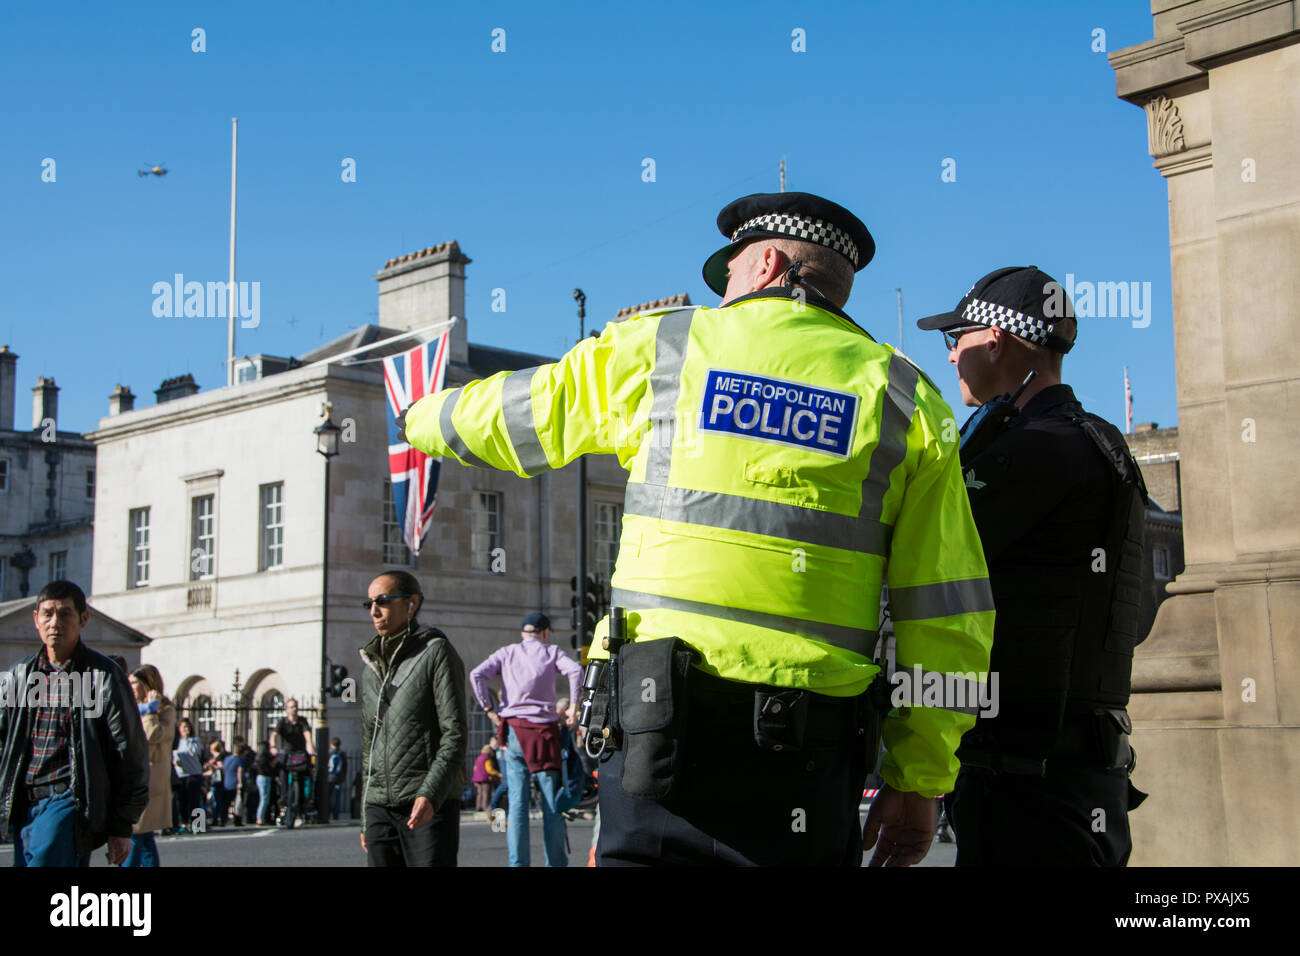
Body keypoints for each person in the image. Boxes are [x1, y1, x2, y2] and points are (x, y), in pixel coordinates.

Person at [400, 191, 994, 866]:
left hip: (658, 727)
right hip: (810, 750)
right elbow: (951, 616)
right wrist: (921, 778)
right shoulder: (906, 399)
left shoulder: (666, 349)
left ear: (767, 262)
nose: (721, 295)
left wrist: (419, 416)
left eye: (730, 273)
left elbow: (522, 415)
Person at [917, 265, 1150, 866]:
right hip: (1082, 772)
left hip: (1026, 781)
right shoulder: (1099, 442)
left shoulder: (1033, 450)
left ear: (994, 339)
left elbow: (932, 571)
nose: (950, 358)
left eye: (956, 339)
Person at [0, 580, 150, 866]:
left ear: (83, 619)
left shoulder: (103, 676)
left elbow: (130, 751)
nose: (55, 622)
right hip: (25, 805)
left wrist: (121, 825)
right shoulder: (19, 675)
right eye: (48, 614)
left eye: (65, 614)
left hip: (68, 799)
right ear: (36, 620)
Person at [358, 570, 467, 866]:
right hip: (380, 806)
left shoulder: (436, 653)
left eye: (382, 601)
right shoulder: (371, 667)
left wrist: (431, 794)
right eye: (368, 603)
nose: (374, 611)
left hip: (427, 802)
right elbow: (369, 744)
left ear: (411, 604)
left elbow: (454, 733)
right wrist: (366, 814)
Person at [469, 613, 582, 867]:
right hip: (544, 732)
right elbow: (575, 671)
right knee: (551, 805)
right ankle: (555, 863)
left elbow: (477, 674)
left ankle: (518, 863)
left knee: (518, 804)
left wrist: (489, 709)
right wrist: (573, 707)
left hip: (513, 731)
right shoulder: (551, 651)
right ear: (545, 633)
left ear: (523, 633)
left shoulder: (507, 652)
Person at [124, 663, 176, 866]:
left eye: (135, 683)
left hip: (150, 780)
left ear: (149, 685)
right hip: (133, 776)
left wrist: (151, 710)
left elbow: (152, 734)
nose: (131, 687)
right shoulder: (132, 706)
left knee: (135, 833)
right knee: (143, 837)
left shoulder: (166, 709)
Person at [271, 698, 315, 826]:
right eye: (291, 707)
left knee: (305, 776)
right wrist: (273, 746)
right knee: (283, 774)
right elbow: (274, 735)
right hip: (287, 752)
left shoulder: (302, 721)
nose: (293, 709)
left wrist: (310, 747)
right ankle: (284, 800)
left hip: (300, 753)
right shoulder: (282, 722)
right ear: (286, 709)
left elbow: (307, 734)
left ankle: (303, 804)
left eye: (295, 706)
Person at [172, 718, 204, 831]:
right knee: (182, 800)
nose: (186, 729)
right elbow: (173, 754)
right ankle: (184, 823)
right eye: (183, 727)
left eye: (188, 727)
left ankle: (198, 824)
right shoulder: (176, 742)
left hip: (194, 773)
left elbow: (194, 751)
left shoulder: (195, 740)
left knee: (195, 800)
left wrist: (186, 739)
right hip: (181, 774)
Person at [253, 741, 279, 826]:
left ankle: (261, 817)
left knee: (264, 799)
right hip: (265, 777)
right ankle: (260, 818)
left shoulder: (258, 757)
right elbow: (270, 767)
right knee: (264, 799)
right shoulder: (265, 758)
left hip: (260, 777)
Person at [472, 744, 500, 818]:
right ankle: (485, 807)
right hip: (485, 778)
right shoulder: (487, 758)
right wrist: (498, 773)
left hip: (477, 778)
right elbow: (489, 769)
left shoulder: (479, 758)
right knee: (486, 793)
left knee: (479, 793)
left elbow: (475, 768)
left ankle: (478, 807)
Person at [221, 741, 245, 826]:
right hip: (235, 783)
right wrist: (240, 782)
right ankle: (237, 820)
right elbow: (240, 771)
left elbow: (223, 769)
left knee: (226, 803)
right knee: (238, 803)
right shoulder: (240, 760)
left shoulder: (227, 759)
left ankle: (223, 819)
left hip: (226, 782)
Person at [327, 738, 347, 821]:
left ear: (331, 744)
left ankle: (327, 812)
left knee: (328, 796)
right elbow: (345, 766)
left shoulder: (329, 753)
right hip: (338, 778)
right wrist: (343, 777)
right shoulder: (342, 753)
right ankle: (336, 814)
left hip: (329, 777)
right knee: (337, 797)